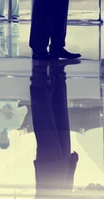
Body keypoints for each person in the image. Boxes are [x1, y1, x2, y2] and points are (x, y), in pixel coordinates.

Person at [30, 60, 79, 197]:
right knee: (60, 117)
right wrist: (72, 167)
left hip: (49, 170)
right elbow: (67, 193)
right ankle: (57, 74)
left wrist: (71, 168)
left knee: (45, 121)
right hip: (59, 167)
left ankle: (39, 75)